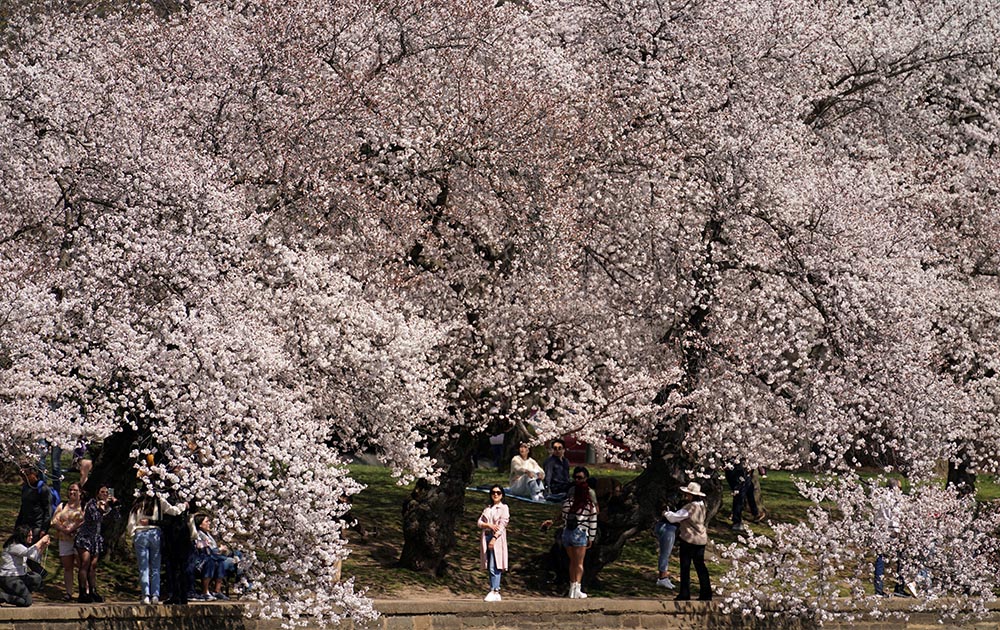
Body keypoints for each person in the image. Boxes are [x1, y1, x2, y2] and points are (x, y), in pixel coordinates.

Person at [542, 468, 598, 598]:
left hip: (567, 533)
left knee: (572, 562)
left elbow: (563, 515)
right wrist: (592, 536)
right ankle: (577, 587)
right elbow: (593, 519)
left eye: (580, 478)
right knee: (579, 563)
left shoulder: (568, 502)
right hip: (580, 532)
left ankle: (572, 588)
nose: (577, 480)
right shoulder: (588, 504)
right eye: (576, 477)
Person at [127, 493, 188, 605]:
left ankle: (145, 595)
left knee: (143, 567)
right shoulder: (159, 501)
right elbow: (173, 511)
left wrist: (133, 533)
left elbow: (131, 522)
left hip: (140, 533)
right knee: (156, 567)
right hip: (155, 533)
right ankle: (155, 595)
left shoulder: (137, 503)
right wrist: (183, 505)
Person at [665, 481, 712, 601]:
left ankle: (684, 593)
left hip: (689, 539)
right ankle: (706, 593)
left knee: (685, 566)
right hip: (701, 539)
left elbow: (675, 517)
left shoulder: (690, 507)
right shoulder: (702, 505)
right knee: (700, 566)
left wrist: (666, 513)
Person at [74, 485, 119, 603]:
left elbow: (114, 518)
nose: (104, 494)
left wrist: (113, 507)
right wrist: (101, 508)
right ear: (97, 493)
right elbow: (95, 517)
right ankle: (82, 592)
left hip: (96, 537)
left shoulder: (106, 505)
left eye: (106, 492)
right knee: (85, 563)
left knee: (93, 566)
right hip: (85, 537)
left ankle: (93, 591)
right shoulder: (92, 504)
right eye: (102, 492)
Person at [50, 482, 85, 601]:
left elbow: (84, 520)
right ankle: (69, 592)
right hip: (64, 539)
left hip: (79, 540)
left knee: (82, 565)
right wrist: (64, 530)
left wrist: (72, 528)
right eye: (70, 489)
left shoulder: (83, 506)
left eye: (75, 490)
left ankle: (85, 591)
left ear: (80, 492)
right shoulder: (62, 505)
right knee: (67, 567)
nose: (72, 492)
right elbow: (54, 521)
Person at [0, 525, 51, 607]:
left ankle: (22, 595)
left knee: (36, 578)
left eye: (31, 535)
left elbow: (34, 557)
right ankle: (3, 596)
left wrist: (43, 546)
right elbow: (30, 553)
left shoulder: (22, 546)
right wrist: (41, 541)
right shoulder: (14, 546)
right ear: (22, 536)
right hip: (9, 578)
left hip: (20, 576)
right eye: (29, 536)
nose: (31, 537)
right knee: (27, 602)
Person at [191, 514, 238, 601]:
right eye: (206, 521)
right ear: (200, 525)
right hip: (202, 560)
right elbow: (203, 548)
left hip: (213, 557)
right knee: (217, 562)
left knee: (222, 561)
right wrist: (219, 549)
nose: (209, 523)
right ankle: (205, 591)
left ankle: (217, 590)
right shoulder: (199, 534)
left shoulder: (208, 534)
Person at [477, 485, 509, 602]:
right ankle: (493, 589)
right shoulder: (488, 508)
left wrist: (494, 538)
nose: (496, 494)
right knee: (489, 564)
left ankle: (495, 589)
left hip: (497, 538)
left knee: (495, 565)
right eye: (493, 492)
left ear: (502, 495)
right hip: (486, 536)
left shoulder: (504, 508)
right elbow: (479, 522)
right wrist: (488, 525)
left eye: (498, 492)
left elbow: (502, 524)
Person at [15, 464, 54, 541]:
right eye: (22, 476)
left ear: (34, 474)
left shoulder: (43, 489)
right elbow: (23, 507)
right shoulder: (25, 487)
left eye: (26, 475)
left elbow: (48, 510)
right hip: (24, 524)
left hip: (37, 526)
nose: (24, 478)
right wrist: (17, 524)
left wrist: (44, 529)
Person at [726, 463, 765, 532]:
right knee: (739, 498)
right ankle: (736, 521)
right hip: (737, 476)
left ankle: (755, 513)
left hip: (745, 475)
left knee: (750, 493)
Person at [653, 496, 678, 589]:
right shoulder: (671, 502)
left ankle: (663, 576)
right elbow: (675, 517)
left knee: (665, 553)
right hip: (668, 527)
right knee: (665, 553)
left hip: (666, 526)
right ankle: (662, 577)